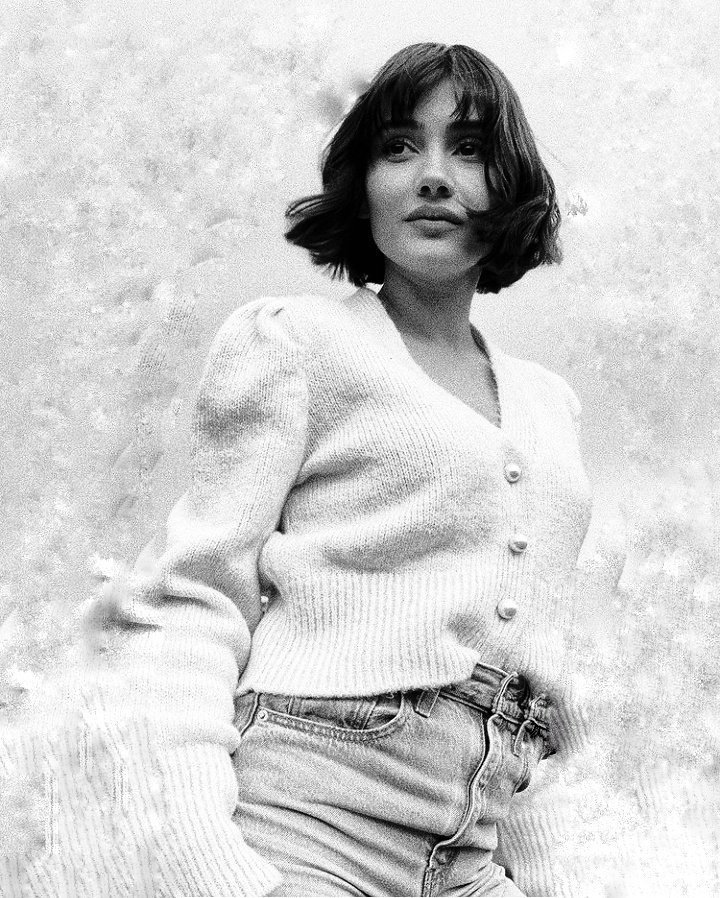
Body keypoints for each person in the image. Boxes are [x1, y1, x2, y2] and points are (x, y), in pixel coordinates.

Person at [76, 42, 593, 897]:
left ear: (511, 185)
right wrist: (224, 874)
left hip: (470, 856)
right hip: (309, 828)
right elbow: (192, 603)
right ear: (364, 182)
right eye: (399, 147)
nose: (434, 177)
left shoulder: (551, 408)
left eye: (469, 149)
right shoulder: (296, 345)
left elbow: (536, 689)